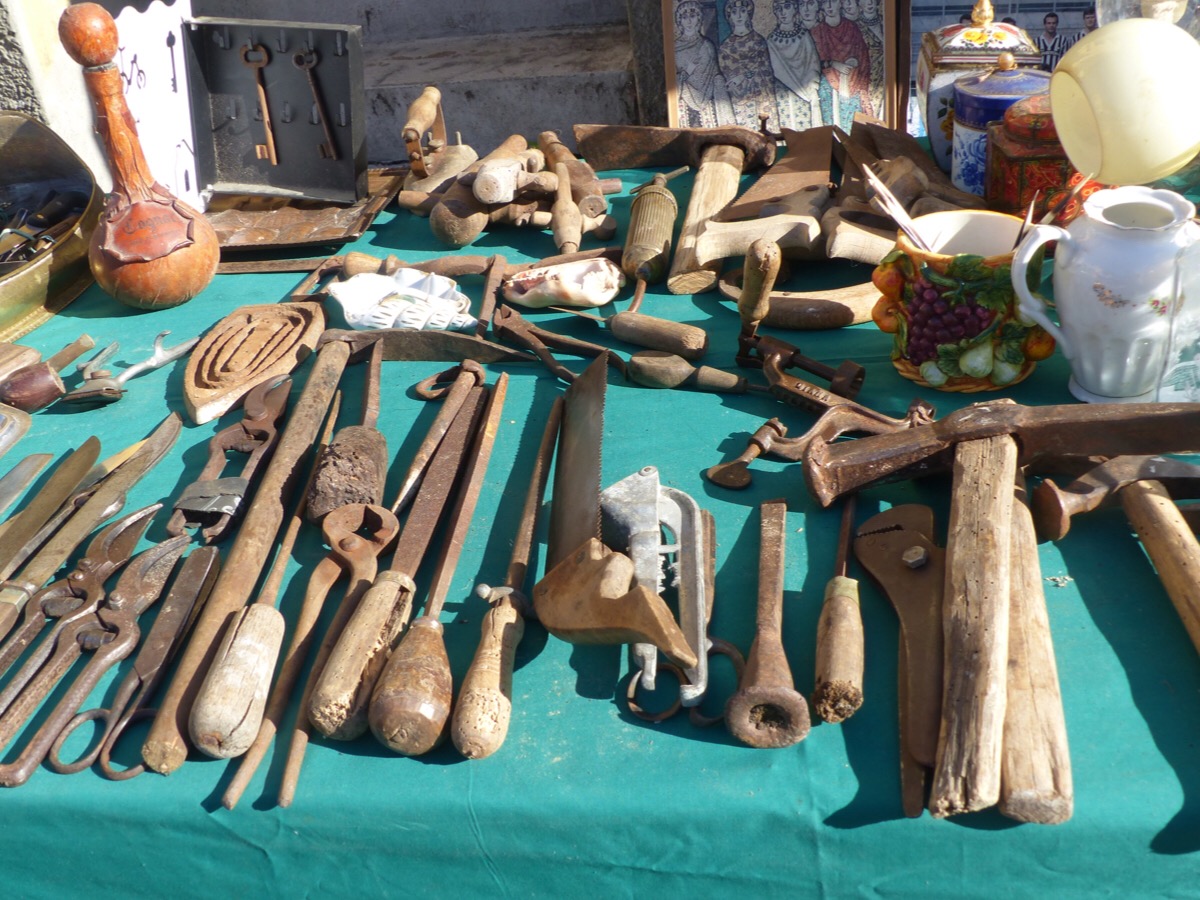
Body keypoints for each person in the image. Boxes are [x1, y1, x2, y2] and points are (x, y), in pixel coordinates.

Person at [809, 0, 872, 129]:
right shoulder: (817, 31)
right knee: (830, 124)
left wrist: (853, 65)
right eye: (826, 2)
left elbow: (863, 56)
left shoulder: (852, 28)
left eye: (833, 1)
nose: (829, 6)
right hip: (828, 83)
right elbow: (813, 61)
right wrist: (834, 64)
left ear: (840, 3)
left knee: (851, 126)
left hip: (852, 81)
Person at [719, 0, 778, 129]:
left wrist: (749, 75)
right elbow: (728, 73)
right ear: (729, 16)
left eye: (743, 11)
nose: (739, 16)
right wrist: (743, 77)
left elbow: (765, 68)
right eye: (734, 12)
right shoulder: (726, 46)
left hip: (761, 93)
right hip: (740, 97)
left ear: (749, 13)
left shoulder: (759, 41)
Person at [674, 0, 731, 127]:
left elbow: (716, 75)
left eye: (692, 16)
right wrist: (685, 73)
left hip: (708, 102)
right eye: (684, 17)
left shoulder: (707, 45)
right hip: (683, 101)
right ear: (680, 21)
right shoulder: (675, 47)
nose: (689, 21)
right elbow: (671, 77)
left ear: (699, 18)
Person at [766, 0, 820, 129]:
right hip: (782, 91)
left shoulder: (804, 35)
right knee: (786, 127)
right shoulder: (771, 40)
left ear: (794, 9)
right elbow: (773, 69)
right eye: (779, 9)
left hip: (805, 89)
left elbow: (813, 61)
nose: (783, 12)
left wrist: (813, 84)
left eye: (787, 7)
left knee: (804, 128)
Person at [843, 0, 884, 118]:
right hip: (866, 71)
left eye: (873, 0)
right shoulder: (855, 26)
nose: (869, 3)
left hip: (886, 72)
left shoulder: (887, 23)